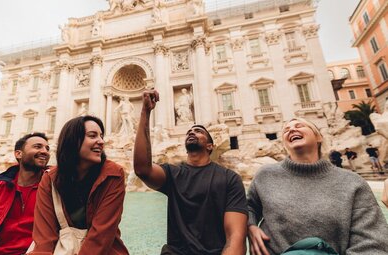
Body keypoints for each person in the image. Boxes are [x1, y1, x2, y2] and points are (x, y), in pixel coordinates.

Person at [247, 117, 388, 255]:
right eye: (286, 130)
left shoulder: (353, 183)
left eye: (299, 126)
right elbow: (247, 207)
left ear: (319, 137)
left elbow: (372, 241)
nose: (291, 130)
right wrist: (251, 226)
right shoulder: (265, 175)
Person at [134, 90, 248, 255]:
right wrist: (145, 112)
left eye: (199, 131)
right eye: (189, 132)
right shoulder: (172, 174)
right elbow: (142, 169)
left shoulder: (230, 178)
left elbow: (236, 236)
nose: (192, 132)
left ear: (210, 146)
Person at [29, 115, 128, 254]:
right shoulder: (49, 179)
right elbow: (44, 238)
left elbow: (100, 236)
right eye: (92, 135)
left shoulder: (113, 174)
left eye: (101, 136)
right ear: (73, 140)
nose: (101, 141)